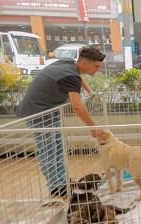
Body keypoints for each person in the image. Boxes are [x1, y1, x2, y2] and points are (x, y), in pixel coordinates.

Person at [17, 46, 106, 197]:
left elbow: (78, 77)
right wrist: (93, 128)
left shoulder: (69, 64)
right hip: (37, 112)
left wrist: (89, 90)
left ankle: (63, 181)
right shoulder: (71, 76)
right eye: (96, 66)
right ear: (84, 63)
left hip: (51, 110)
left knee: (60, 146)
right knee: (49, 150)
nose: (98, 69)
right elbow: (77, 107)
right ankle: (55, 186)